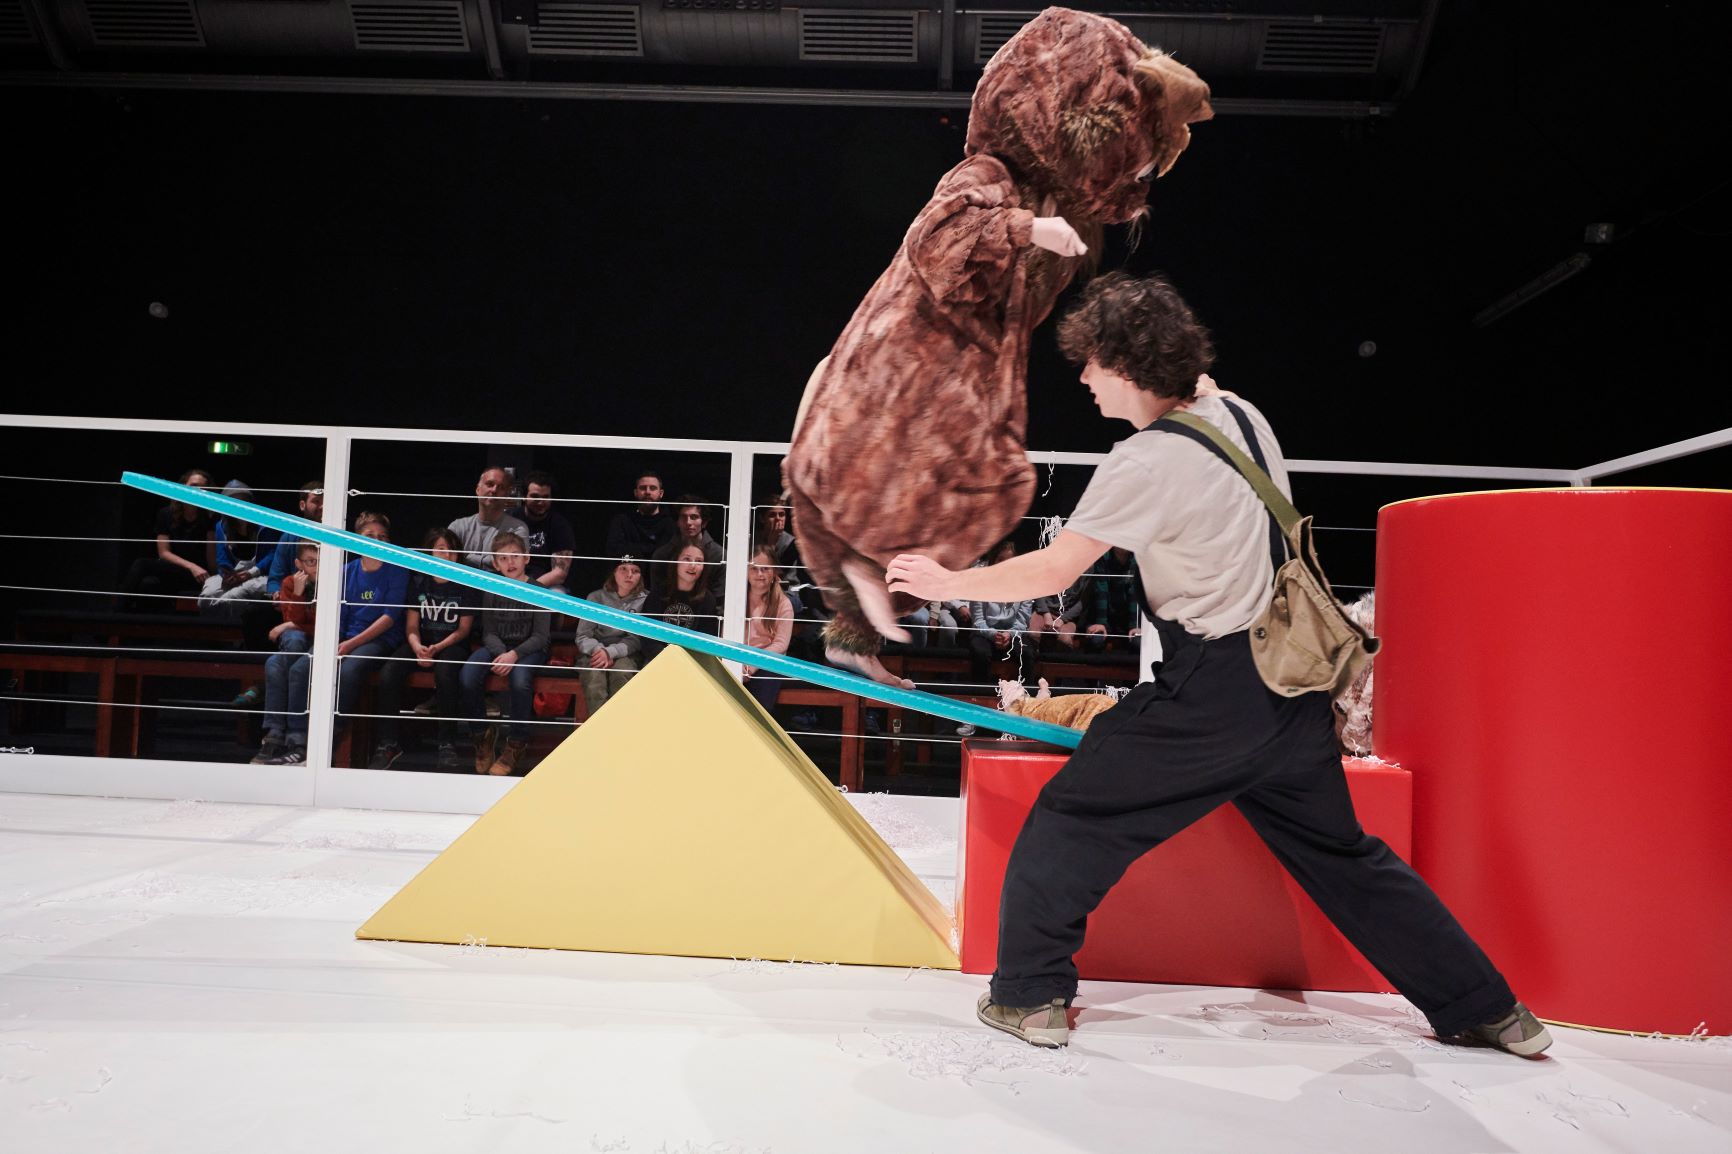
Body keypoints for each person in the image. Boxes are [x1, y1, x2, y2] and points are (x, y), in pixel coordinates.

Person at [887, 272, 1550, 1057]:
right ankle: (1490, 1008)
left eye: (1091, 362)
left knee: (1072, 819)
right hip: (1292, 691)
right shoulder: (1242, 415)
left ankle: (1029, 996)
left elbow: (1052, 574)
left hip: (1215, 691)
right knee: (1344, 856)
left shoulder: (1143, 462)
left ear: (1127, 366)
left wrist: (945, 583)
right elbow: (1199, 386)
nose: (1083, 378)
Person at [369, 528, 478, 772]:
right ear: (430, 551)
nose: (447, 555)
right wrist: (418, 647)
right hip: (420, 641)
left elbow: (463, 630)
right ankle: (388, 743)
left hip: (451, 643)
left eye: (451, 551)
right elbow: (411, 624)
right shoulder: (418, 580)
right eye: (440, 549)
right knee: (389, 673)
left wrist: (437, 648)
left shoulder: (466, 583)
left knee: (446, 674)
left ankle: (446, 743)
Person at [461, 532, 551, 776]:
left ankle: (516, 743)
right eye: (503, 558)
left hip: (529, 648)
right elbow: (488, 631)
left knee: (520, 681)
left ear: (527, 558)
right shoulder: (492, 588)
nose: (510, 562)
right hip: (498, 646)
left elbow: (541, 637)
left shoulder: (539, 590)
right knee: (468, 675)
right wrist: (502, 653)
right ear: (496, 563)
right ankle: (482, 736)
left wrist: (513, 655)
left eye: (515, 556)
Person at [334, 512, 411, 754]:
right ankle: (298, 735)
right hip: (348, 636)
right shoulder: (346, 570)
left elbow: (389, 618)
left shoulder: (397, 569)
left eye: (382, 536)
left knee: (350, 668)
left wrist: (349, 644)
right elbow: (340, 612)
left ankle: (332, 734)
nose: (377, 540)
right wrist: (337, 640)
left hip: (380, 639)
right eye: (370, 535)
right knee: (307, 664)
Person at [252, 542, 319, 766]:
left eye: (320, 561)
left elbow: (325, 625)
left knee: (285, 663)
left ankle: (293, 737)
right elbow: (294, 619)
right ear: (298, 564)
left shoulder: (332, 582)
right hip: (299, 638)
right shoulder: (290, 583)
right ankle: (276, 733)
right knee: (281, 655)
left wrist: (285, 627)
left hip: (323, 639)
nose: (317, 567)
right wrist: (299, 595)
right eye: (311, 562)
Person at [121, 467, 214, 610]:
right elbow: (164, 553)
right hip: (177, 568)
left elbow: (210, 562)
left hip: (198, 575)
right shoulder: (166, 514)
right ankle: (124, 623)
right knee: (148, 584)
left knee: (142, 565)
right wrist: (191, 566)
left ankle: (116, 616)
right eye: (194, 486)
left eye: (203, 488)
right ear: (183, 486)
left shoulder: (209, 518)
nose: (198, 490)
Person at [574, 556, 647, 718]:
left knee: (622, 673)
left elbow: (637, 638)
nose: (629, 575)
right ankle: (600, 731)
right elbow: (583, 635)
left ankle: (620, 729)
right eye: (624, 569)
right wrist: (599, 650)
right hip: (595, 652)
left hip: (627, 652)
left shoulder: (645, 600)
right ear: (614, 573)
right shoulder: (595, 597)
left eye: (635, 571)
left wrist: (611, 652)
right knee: (594, 681)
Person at [638, 543, 720, 662]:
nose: (693, 565)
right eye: (687, 559)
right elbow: (647, 636)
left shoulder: (708, 600)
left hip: (692, 662)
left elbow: (706, 640)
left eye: (699, 561)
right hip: (658, 660)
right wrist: (666, 659)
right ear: (675, 561)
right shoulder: (658, 593)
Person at [741, 546, 793, 712]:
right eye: (754, 569)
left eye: (765, 569)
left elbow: (781, 644)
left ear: (774, 573)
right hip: (739, 658)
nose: (760, 574)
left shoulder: (783, 604)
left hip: (767, 661)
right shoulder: (737, 598)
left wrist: (753, 663)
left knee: (767, 676)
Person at [449, 466, 528, 572]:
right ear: (478, 489)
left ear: (507, 494)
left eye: (501, 487)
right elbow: (446, 559)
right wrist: (494, 561)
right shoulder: (458, 527)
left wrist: (465, 557)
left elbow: (514, 565)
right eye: (490, 484)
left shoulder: (517, 529)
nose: (494, 490)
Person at [513, 470, 577, 593]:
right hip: (513, 579)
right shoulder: (511, 519)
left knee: (558, 594)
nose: (541, 502)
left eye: (546, 497)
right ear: (524, 497)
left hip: (546, 584)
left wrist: (528, 588)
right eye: (535, 496)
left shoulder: (560, 525)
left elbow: (559, 573)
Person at [649, 495, 726, 595]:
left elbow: (720, 599)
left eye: (694, 517)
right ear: (677, 522)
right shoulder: (662, 554)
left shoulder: (719, 555)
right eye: (683, 517)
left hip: (706, 609)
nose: (688, 522)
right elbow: (656, 595)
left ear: (704, 523)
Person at [604, 469, 677, 571]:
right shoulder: (621, 521)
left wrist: (632, 549)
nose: (647, 492)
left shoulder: (671, 524)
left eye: (652, 488)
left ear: (661, 493)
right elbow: (613, 551)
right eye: (643, 488)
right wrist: (652, 549)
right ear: (636, 492)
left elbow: (667, 557)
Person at [265, 482, 325, 594]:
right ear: (302, 505)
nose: (322, 506)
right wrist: (276, 594)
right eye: (316, 501)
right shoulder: (289, 537)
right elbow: (275, 579)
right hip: (297, 600)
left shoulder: (340, 537)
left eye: (326, 502)